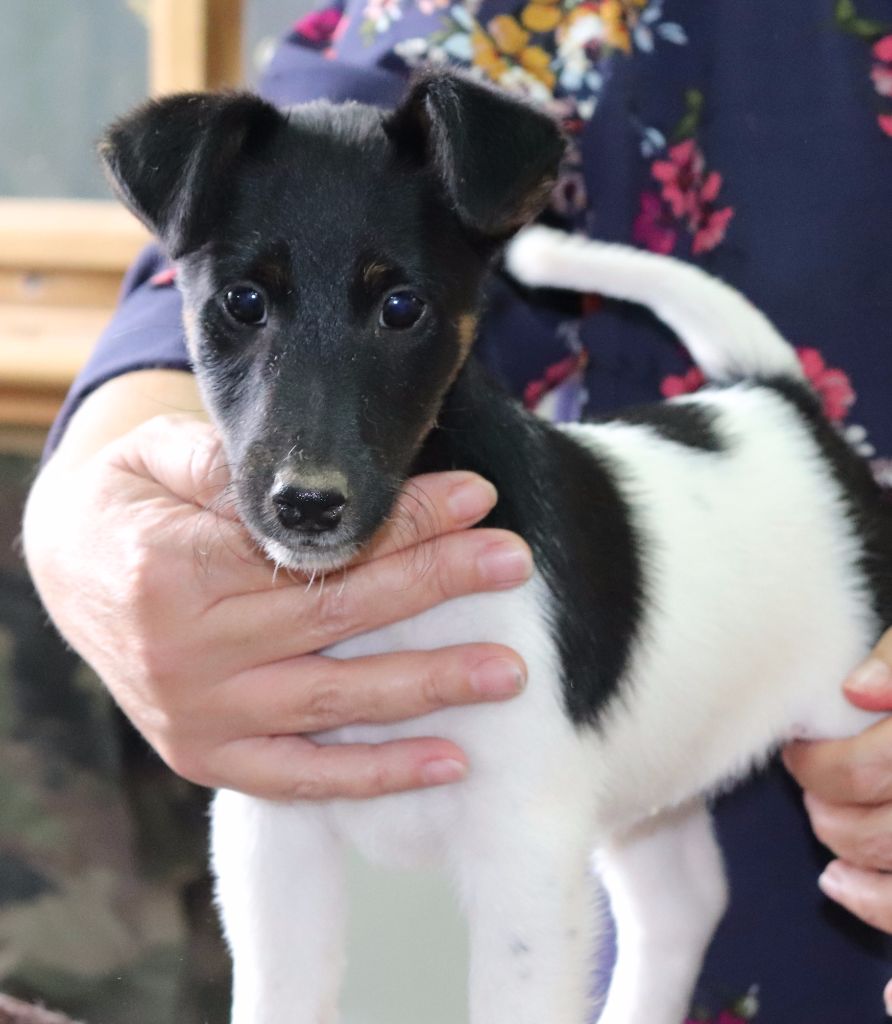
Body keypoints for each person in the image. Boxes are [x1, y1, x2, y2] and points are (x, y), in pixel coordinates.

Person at [18, 1, 892, 1021]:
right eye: (243, 309)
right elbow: (332, 113)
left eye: (400, 310)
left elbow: (521, 850)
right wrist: (95, 494)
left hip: (794, 560)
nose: (309, 454)